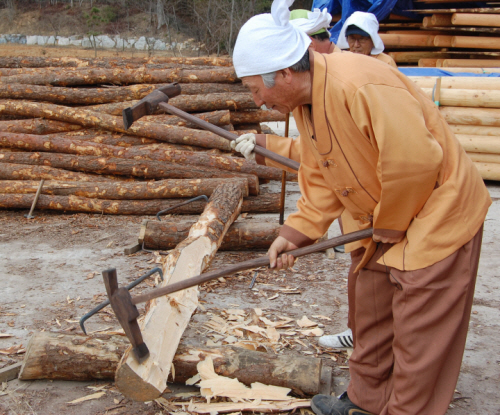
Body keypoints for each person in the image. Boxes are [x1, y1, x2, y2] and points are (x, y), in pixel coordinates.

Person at [231, 0, 491, 414]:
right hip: (385, 215)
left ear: (282, 73)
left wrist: (389, 226)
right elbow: (320, 171)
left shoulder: (358, 83)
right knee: (369, 301)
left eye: (254, 89)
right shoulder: (305, 103)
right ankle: (366, 402)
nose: (258, 102)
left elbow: (415, 160)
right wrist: (295, 233)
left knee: (417, 329)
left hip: (434, 210)